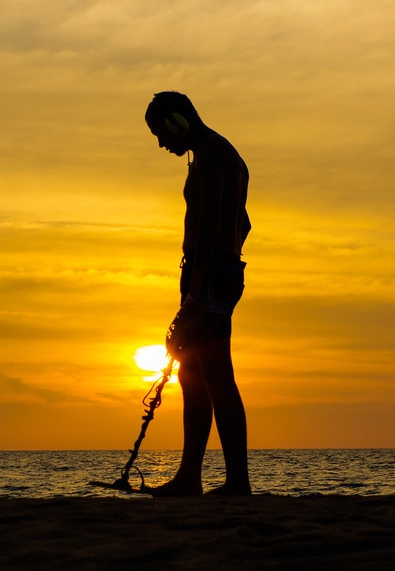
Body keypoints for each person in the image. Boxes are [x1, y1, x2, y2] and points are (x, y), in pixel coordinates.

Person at [142, 91, 252, 497]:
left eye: (161, 132)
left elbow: (214, 220)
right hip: (214, 272)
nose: (161, 143)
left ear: (177, 121)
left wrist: (201, 280)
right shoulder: (218, 154)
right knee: (193, 375)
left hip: (210, 276)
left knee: (216, 375)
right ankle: (191, 476)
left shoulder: (212, 155)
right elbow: (245, 223)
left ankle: (235, 481)